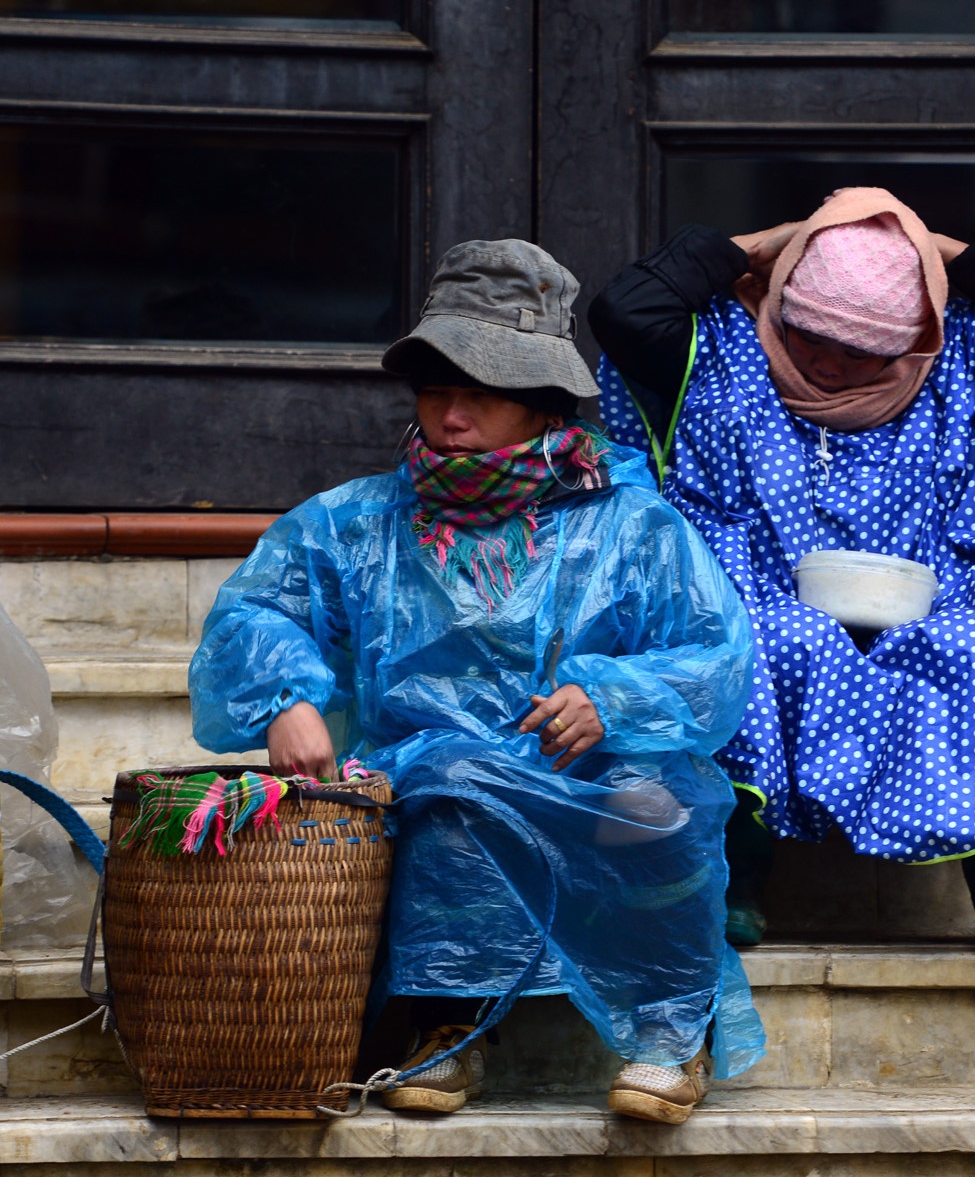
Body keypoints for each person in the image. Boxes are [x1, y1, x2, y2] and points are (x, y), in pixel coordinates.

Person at [189, 238, 765, 1126]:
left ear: (539, 407)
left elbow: (713, 653)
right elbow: (257, 610)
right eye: (436, 391)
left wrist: (613, 699)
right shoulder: (355, 522)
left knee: (664, 801)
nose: (451, 415)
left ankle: (667, 1029)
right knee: (451, 787)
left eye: (480, 393)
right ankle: (447, 1028)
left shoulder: (635, 521)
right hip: (435, 772)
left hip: (589, 770)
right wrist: (285, 697)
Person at [591, 188, 975, 953]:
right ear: (780, 305)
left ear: (914, 339)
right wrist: (762, 244)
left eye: (861, 351)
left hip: (935, 591)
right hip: (763, 590)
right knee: (757, 642)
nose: (829, 366)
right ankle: (740, 867)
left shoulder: (959, 355)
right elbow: (624, 310)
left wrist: (929, 247)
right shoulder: (720, 350)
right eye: (808, 339)